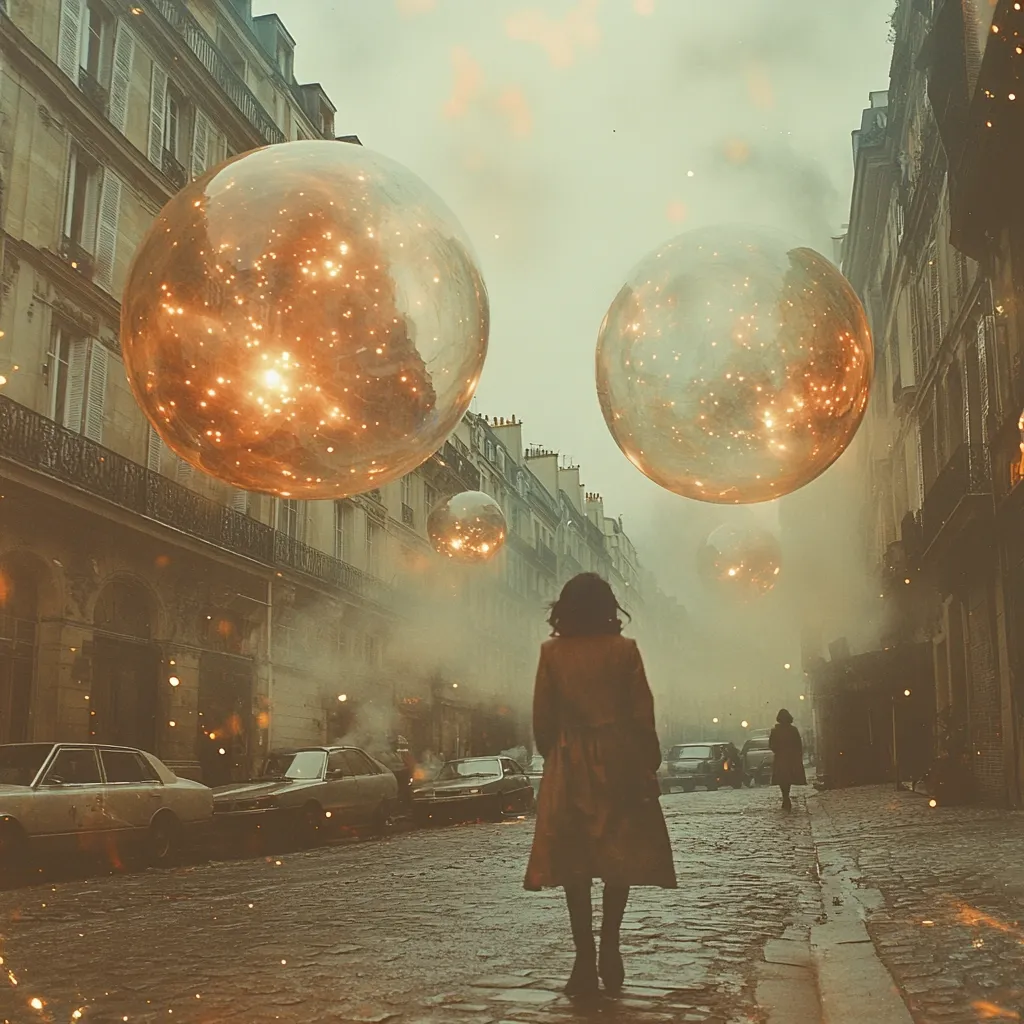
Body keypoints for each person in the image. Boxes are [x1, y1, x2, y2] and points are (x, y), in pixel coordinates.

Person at [524, 573, 677, 997]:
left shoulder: (551, 653)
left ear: (565, 609)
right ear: (609, 608)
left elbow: (542, 719)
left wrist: (558, 753)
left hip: (570, 764)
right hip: (619, 760)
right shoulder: (624, 651)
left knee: (575, 863)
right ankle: (611, 944)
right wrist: (647, 758)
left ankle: (583, 959)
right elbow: (641, 711)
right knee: (616, 856)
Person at [769, 708, 806, 811]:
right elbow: (798, 744)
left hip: (781, 758)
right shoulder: (793, 730)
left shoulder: (775, 731)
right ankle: (786, 797)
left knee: (783, 778)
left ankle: (785, 796)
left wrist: (778, 750)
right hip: (790, 758)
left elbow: (771, 744)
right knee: (788, 778)